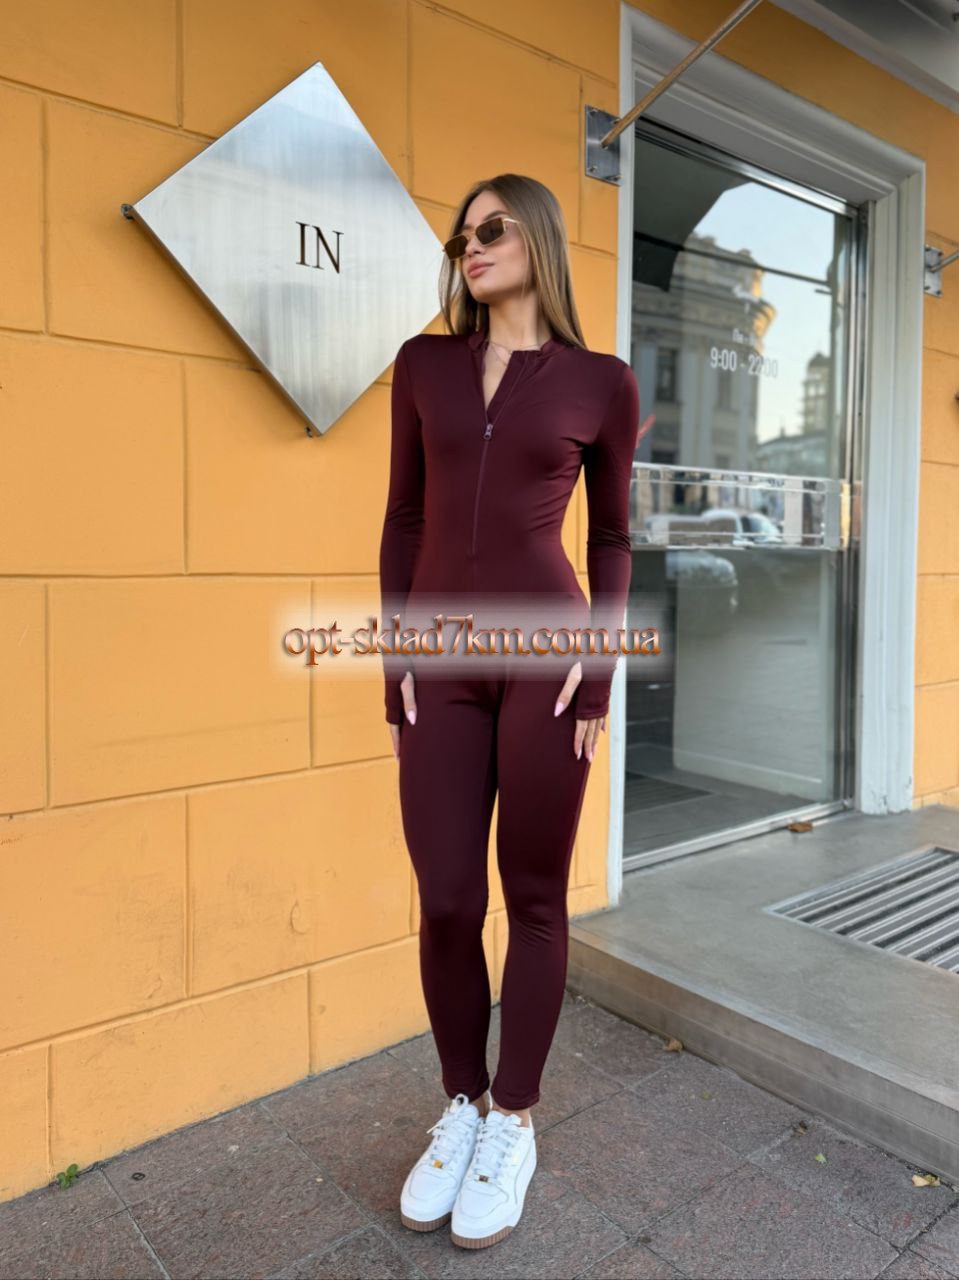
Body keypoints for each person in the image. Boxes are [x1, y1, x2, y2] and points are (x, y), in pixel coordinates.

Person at [379, 174, 640, 1250]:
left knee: (531, 895)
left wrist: (600, 668)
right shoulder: (423, 364)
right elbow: (403, 519)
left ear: (537, 236)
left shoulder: (601, 382)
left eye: (489, 229)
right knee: (446, 896)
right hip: (440, 658)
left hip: (548, 660)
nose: (470, 247)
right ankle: (460, 1103)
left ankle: (512, 1119)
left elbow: (612, 539)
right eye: (460, 236)